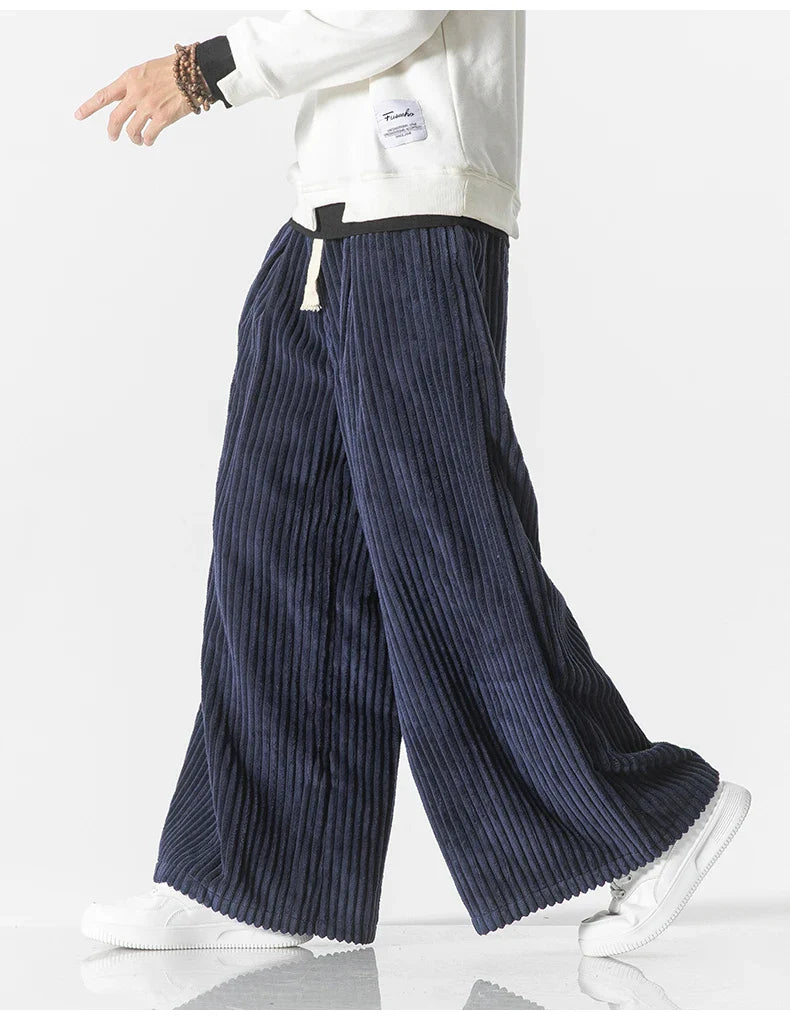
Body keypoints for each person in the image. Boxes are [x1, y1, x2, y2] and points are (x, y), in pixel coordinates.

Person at [76, 11, 750, 956]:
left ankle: (653, 820)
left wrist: (204, 72)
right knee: (276, 549)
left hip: (411, 217)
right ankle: (263, 881)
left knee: (448, 554)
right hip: (327, 224)